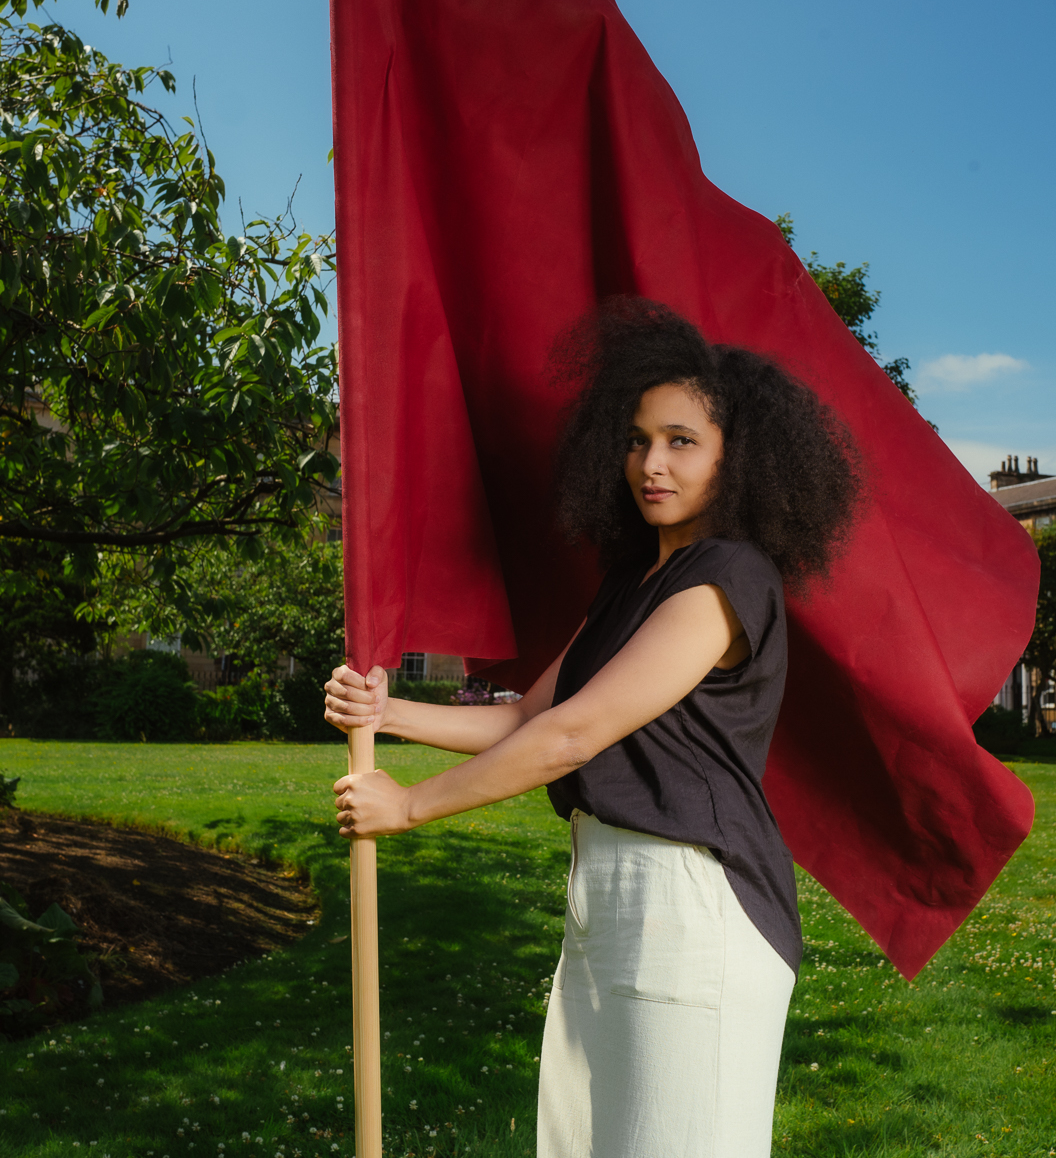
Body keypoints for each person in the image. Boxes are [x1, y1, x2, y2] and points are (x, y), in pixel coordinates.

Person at [325, 298, 862, 1158]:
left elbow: (573, 737)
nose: (651, 462)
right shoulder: (631, 584)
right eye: (639, 438)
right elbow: (528, 715)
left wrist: (411, 807)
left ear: (740, 456)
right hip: (605, 898)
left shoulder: (728, 577)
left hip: (692, 903)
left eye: (682, 440)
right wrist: (385, 713)